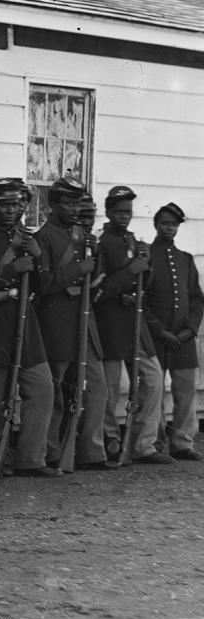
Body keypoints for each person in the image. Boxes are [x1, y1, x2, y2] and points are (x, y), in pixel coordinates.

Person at [0, 178, 59, 478]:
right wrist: (11, 267)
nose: (12, 210)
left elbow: (45, 286)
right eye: (5, 204)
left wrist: (40, 256)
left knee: (41, 387)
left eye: (18, 204)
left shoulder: (31, 238)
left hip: (26, 322)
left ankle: (32, 458)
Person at [33, 177, 110, 471]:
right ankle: (51, 453)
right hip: (57, 322)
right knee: (55, 393)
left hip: (84, 323)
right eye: (67, 203)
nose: (74, 208)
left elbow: (97, 276)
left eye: (77, 202)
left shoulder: (83, 235)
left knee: (97, 387)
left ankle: (91, 451)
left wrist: (95, 255)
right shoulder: (43, 237)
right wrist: (80, 268)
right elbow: (44, 283)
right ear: (52, 205)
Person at [94, 186, 172, 465]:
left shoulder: (132, 240)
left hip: (135, 324)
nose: (124, 217)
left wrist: (143, 271)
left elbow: (143, 282)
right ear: (109, 212)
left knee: (152, 380)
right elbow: (98, 291)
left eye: (127, 212)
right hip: (112, 325)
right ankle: (111, 441)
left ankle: (143, 443)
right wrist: (132, 271)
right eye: (118, 212)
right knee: (110, 388)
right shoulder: (101, 243)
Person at [146, 202, 204, 461]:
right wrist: (159, 331)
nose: (169, 228)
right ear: (156, 225)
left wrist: (189, 330)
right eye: (164, 223)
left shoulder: (185, 259)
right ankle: (154, 441)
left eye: (173, 224)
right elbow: (142, 302)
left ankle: (182, 442)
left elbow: (196, 299)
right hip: (156, 338)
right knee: (154, 391)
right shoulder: (146, 256)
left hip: (183, 338)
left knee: (185, 391)